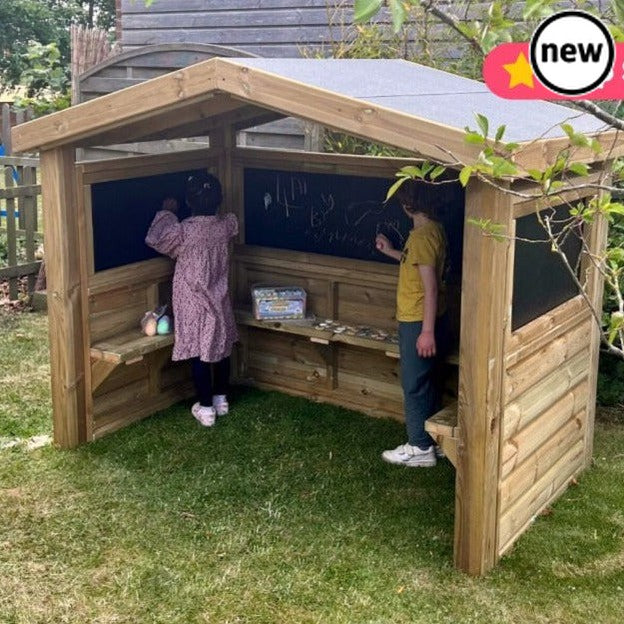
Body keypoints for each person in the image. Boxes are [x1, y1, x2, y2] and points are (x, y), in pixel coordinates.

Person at [145, 172, 238, 427]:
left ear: (188, 201)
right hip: (219, 296)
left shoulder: (183, 232)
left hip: (193, 300)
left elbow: (155, 239)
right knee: (221, 347)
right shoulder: (224, 226)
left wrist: (166, 212)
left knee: (199, 351)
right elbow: (232, 222)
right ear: (219, 200)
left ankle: (205, 408)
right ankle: (221, 399)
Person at [375, 179, 448, 467]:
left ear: (408, 205)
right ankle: (433, 439)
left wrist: (426, 332)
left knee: (414, 383)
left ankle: (419, 447)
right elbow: (416, 265)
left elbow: (429, 287)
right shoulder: (433, 231)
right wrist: (390, 251)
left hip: (418, 320)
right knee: (429, 380)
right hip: (431, 317)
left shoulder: (420, 238)